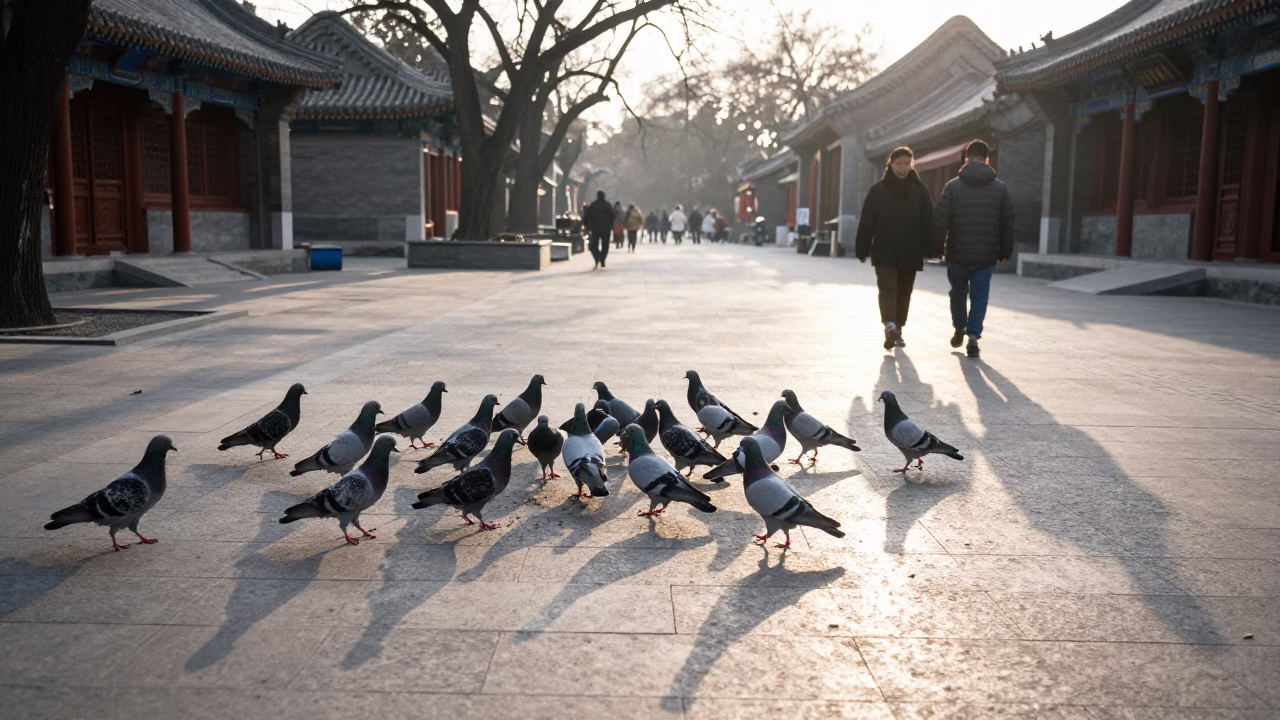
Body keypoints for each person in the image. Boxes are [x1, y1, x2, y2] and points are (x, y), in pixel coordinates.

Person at [930, 139, 1014, 359]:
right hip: (986, 254)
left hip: (958, 251)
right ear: (987, 160)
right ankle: (973, 336)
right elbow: (1007, 222)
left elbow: (941, 220)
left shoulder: (953, 186)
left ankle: (959, 326)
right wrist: (1005, 251)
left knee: (958, 292)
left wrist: (936, 247)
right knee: (979, 296)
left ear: (966, 158)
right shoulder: (1000, 188)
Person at [855, 146, 935, 351]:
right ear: (890, 164)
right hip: (884, 249)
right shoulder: (878, 190)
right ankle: (890, 326)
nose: (902, 168)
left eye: (907, 164)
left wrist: (932, 248)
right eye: (898, 164)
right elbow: (867, 221)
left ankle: (898, 328)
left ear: (912, 165)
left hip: (911, 249)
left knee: (904, 292)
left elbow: (929, 221)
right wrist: (862, 248)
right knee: (888, 288)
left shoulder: (919, 190)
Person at [583, 190, 614, 269]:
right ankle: (602, 259)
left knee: (594, 245)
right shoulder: (608, 205)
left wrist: (586, 226)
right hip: (606, 229)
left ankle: (597, 258)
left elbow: (586, 217)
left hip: (595, 229)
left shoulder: (593, 205)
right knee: (605, 245)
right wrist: (610, 225)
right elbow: (613, 216)